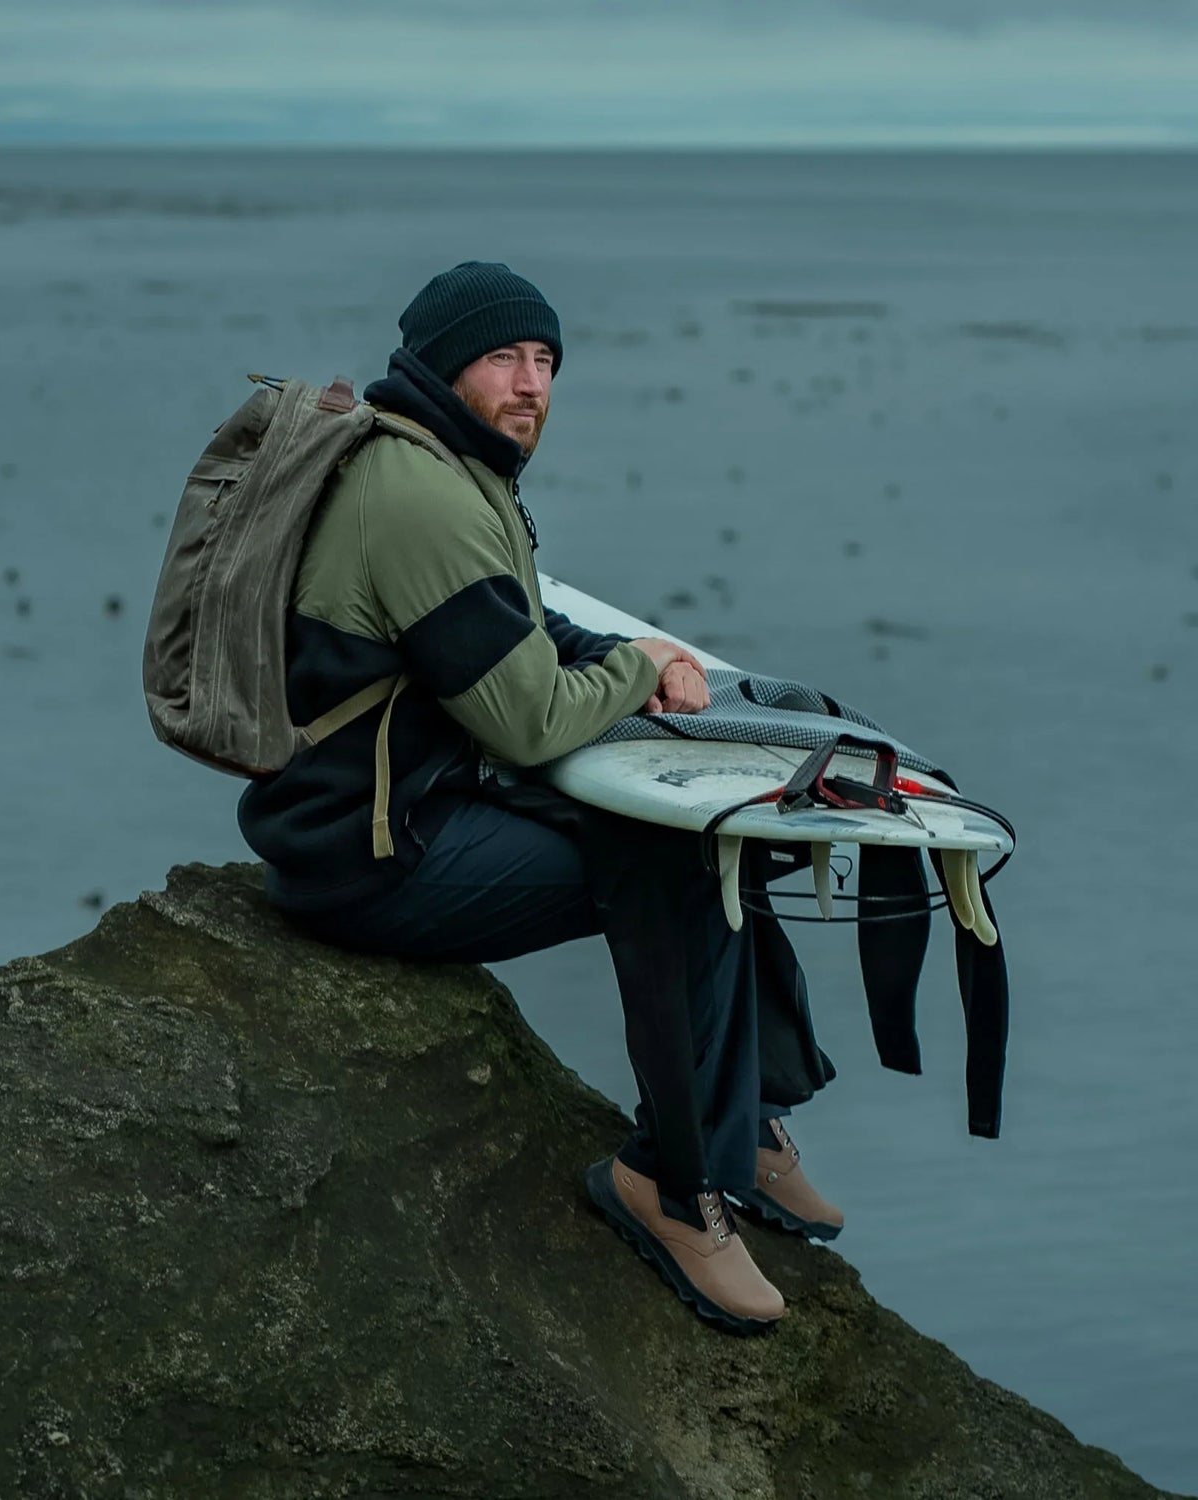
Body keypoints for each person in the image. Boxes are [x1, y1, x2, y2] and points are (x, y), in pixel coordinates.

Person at [237, 261, 842, 1333]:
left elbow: (505, 620)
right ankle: (669, 1179)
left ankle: (741, 1120)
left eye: (546, 361)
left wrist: (622, 656)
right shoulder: (417, 493)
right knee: (676, 861)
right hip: (373, 857)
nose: (531, 384)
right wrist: (637, 666)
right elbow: (522, 720)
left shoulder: (443, 461)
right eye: (502, 358)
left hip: (405, 803)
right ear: (437, 364)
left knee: (712, 838)